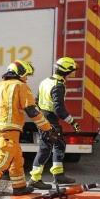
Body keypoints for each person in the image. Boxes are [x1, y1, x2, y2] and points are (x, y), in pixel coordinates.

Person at [0, 60, 56, 199]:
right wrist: (47, 129)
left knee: (16, 157)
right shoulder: (21, 86)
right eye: (26, 75)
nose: (27, 78)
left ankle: (19, 187)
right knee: (3, 159)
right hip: (10, 129)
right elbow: (32, 110)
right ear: (20, 73)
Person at [28, 57, 80, 189]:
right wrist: (72, 122)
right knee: (45, 148)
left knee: (59, 144)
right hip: (50, 119)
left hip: (44, 116)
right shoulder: (58, 85)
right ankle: (35, 179)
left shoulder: (45, 81)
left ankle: (58, 175)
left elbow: (36, 100)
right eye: (72, 70)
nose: (74, 72)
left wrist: (41, 117)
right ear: (66, 71)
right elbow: (59, 110)